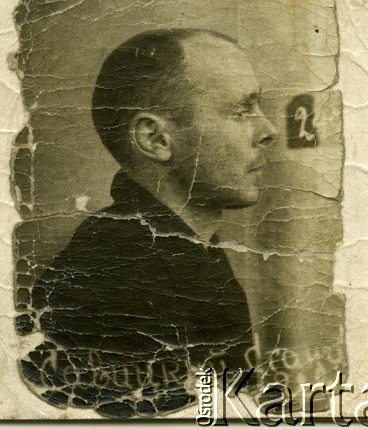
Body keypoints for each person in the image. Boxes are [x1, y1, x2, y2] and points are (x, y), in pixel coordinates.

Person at [20, 29, 277, 419]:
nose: (269, 131)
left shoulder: (184, 249)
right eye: (241, 112)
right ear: (156, 140)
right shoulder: (110, 284)